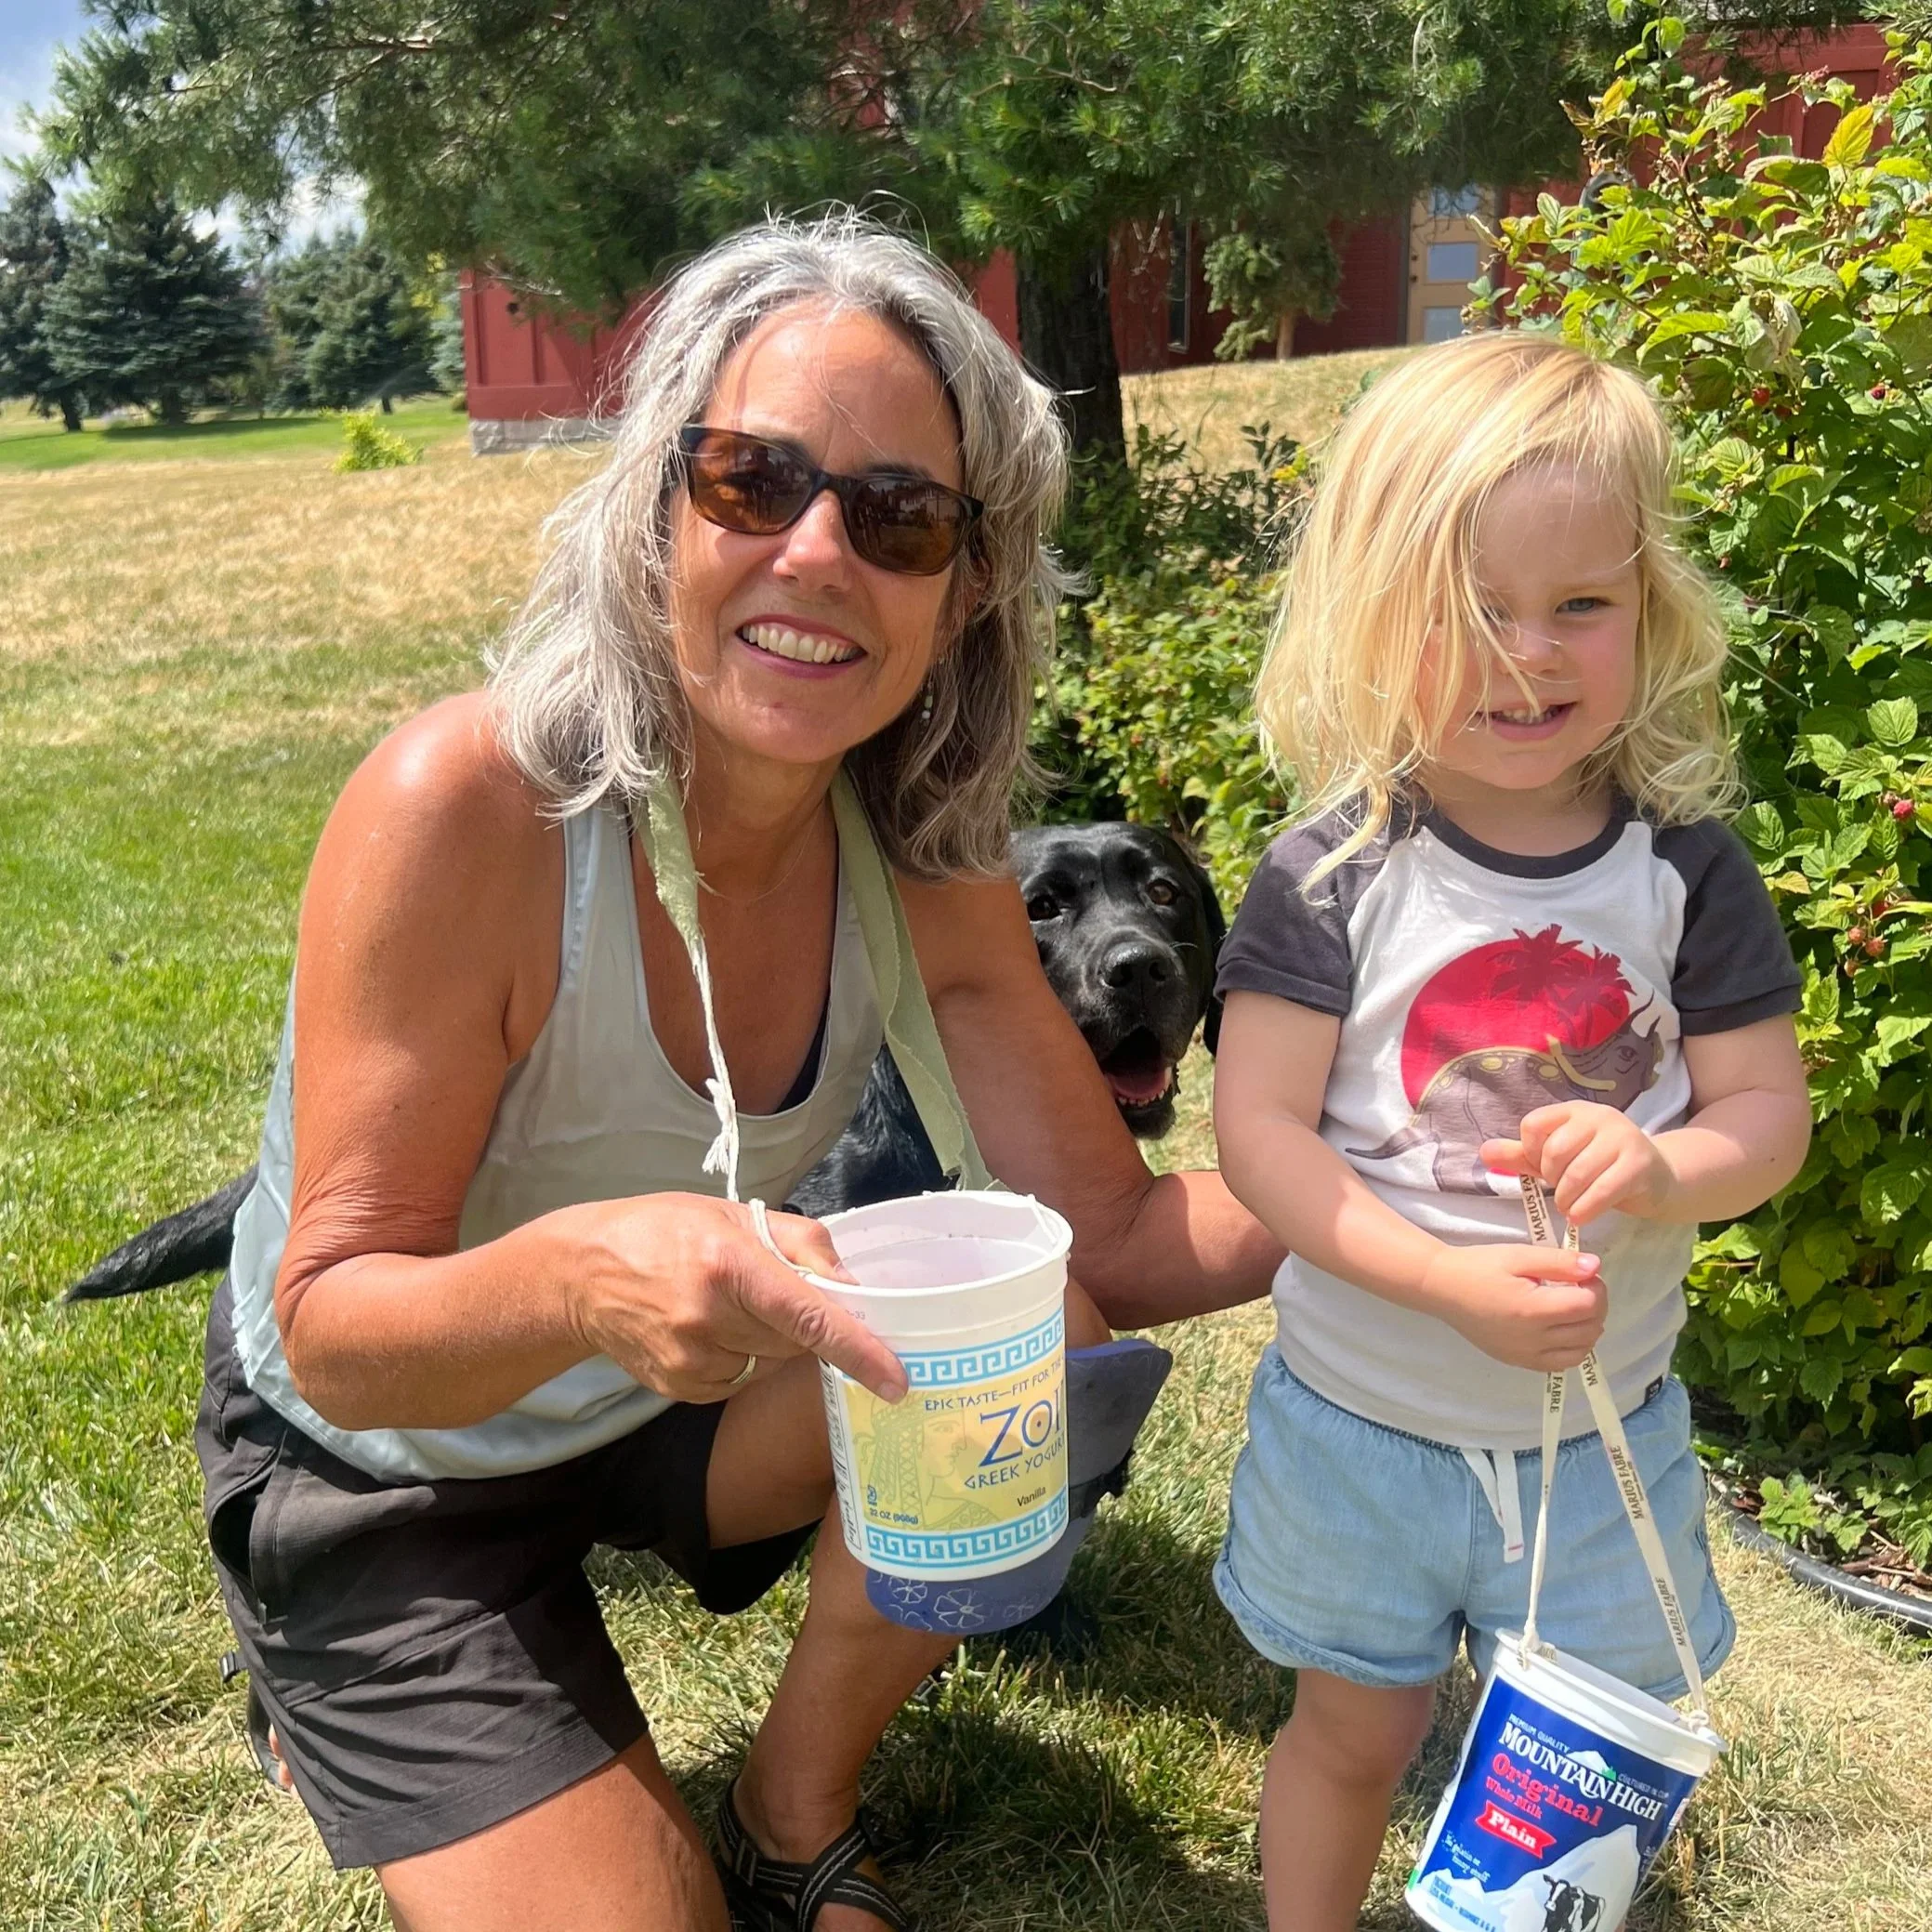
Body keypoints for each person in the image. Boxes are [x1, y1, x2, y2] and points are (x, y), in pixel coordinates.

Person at [197, 214, 1281, 1932]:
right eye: (750, 481)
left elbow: (1122, 1241)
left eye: (899, 515)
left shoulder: (919, 855)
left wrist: (1413, 1181)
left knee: (1040, 1333)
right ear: (655, 510)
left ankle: (793, 1806)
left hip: (667, 1406)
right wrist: (581, 1275)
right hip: (381, 1452)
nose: (817, 551)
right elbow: (332, 1317)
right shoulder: (466, 805)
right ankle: (328, 1672)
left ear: (965, 587)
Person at [1207, 333, 1813, 1931]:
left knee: (1573, 1762)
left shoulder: (1682, 871)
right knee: (1352, 1731)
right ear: (1368, 611)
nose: (1525, 655)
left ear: (1650, 609)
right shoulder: (1333, 873)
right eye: (1467, 609)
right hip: (1362, 1424)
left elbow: (1766, 1118)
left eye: (1579, 604)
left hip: (1598, 1443)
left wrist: (1664, 1164)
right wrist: (1435, 1278)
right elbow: (1259, 1133)